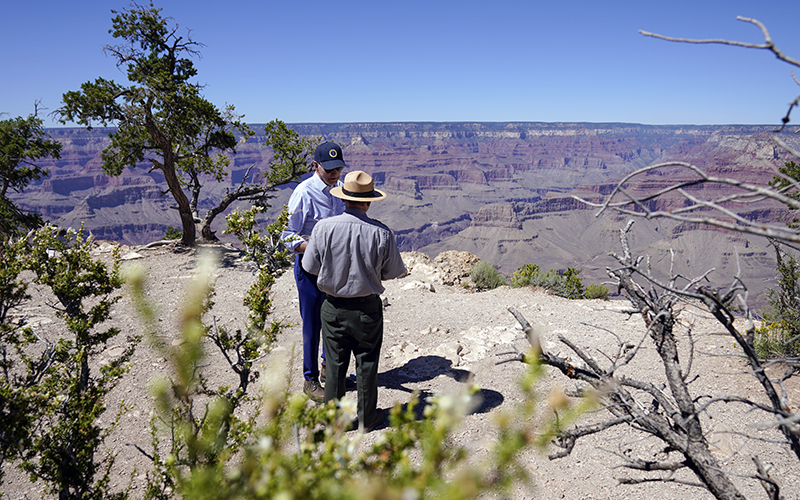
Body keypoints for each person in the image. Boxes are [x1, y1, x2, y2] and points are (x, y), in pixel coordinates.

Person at [302, 170, 407, 432]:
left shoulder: (323, 228)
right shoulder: (381, 232)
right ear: (368, 201)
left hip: (333, 307)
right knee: (367, 363)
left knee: (335, 365)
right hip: (367, 309)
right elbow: (392, 272)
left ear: (343, 199)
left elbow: (310, 267)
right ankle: (367, 418)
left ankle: (335, 420)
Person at [280, 141, 346, 402]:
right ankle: (310, 380)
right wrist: (314, 247)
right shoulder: (303, 193)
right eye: (328, 168)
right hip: (310, 270)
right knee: (312, 325)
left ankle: (328, 371)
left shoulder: (341, 190)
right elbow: (286, 236)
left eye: (338, 168)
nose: (334, 173)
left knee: (335, 321)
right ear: (316, 166)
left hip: (335, 269)